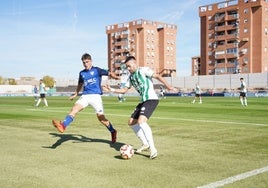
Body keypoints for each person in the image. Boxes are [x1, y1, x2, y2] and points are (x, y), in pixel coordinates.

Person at [105, 56, 176, 159]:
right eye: (127, 67)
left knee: (141, 121)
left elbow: (157, 76)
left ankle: (153, 149)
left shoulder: (143, 70)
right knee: (131, 122)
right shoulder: (131, 77)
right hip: (143, 101)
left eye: (129, 66)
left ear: (134, 63)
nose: (128, 69)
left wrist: (168, 87)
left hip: (151, 99)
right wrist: (112, 89)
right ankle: (145, 144)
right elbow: (124, 90)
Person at [52, 53, 118, 144]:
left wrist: (116, 76)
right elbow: (80, 84)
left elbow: (109, 73)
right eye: (84, 62)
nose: (85, 64)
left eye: (87, 62)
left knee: (101, 118)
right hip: (85, 95)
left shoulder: (97, 70)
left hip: (96, 96)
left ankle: (113, 131)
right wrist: (76, 93)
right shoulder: (82, 73)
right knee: (74, 109)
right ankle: (63, 125)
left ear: (91, 61)